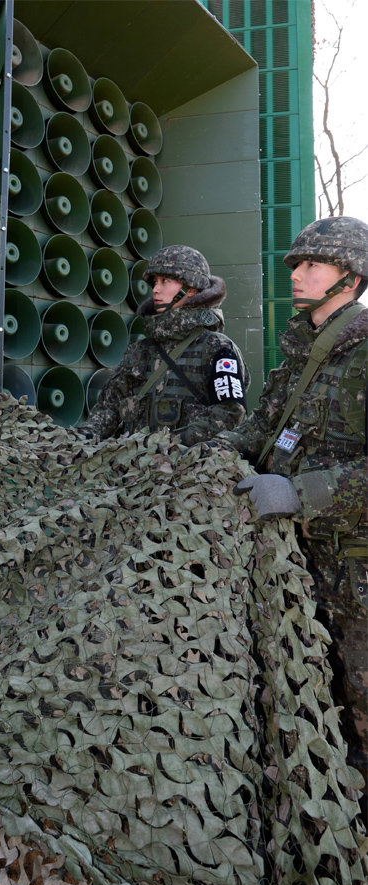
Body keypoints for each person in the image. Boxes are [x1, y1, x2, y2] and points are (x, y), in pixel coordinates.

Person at [209, 216, 367, 784]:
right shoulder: (301, 349)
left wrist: (299, 492)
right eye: (295, 265)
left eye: (311, 265)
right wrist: (213, 457)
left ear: (349, 279)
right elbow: (260, 430)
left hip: (354, 576)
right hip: (293, 566)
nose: (297, 274)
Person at [77, 245, 250, 442]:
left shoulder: (217, 348)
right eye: (155, 283)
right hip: (133, 465)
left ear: (190, 288)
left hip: (187, 466)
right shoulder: (141, 349)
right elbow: (110, 407)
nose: (156, 289)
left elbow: (229, 413)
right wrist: (82, 439)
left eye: (165, 281)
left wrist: (168, 444)